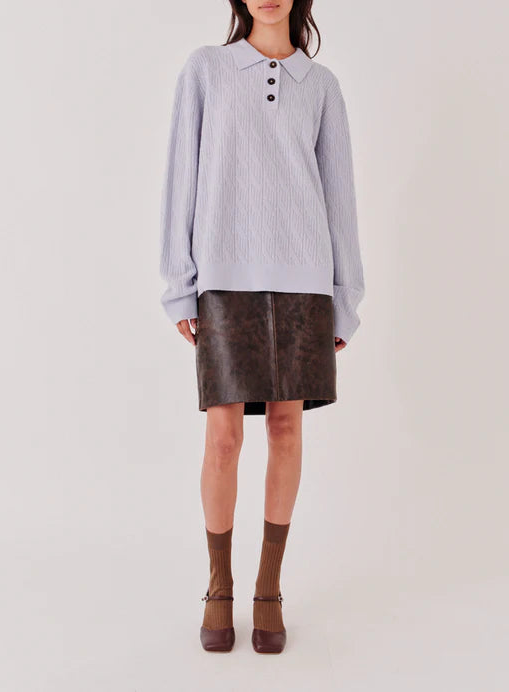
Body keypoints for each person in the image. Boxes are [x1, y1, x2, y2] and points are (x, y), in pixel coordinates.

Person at [159, 0, 365, 654]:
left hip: (305, 281)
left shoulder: (321, 85)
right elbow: (181, 175)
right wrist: (179, 283)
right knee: (223, 436)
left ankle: (268, 587)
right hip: (224, 276)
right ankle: (218, 585)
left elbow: (339, 196)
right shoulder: (206, 70)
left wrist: (344, 296)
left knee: (285, 428)